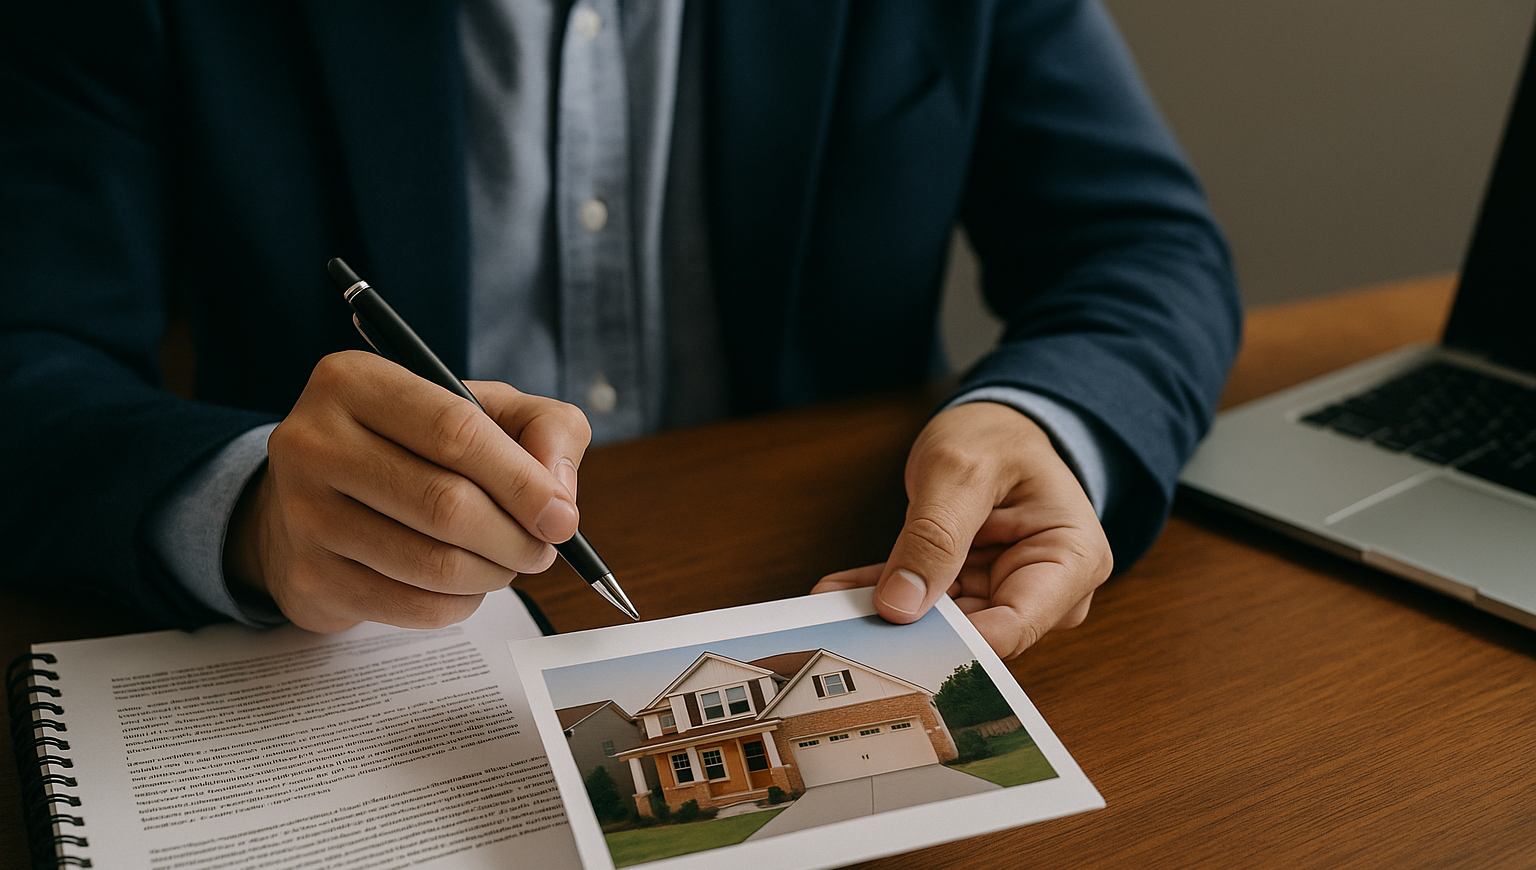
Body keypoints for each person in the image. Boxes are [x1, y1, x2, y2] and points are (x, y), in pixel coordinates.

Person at [0, 1, 1240, 660]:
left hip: (837, 575)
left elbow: (1143, 244)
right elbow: (27, 357)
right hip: (351, 665)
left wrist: (1037, 420)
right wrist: (254, 510)